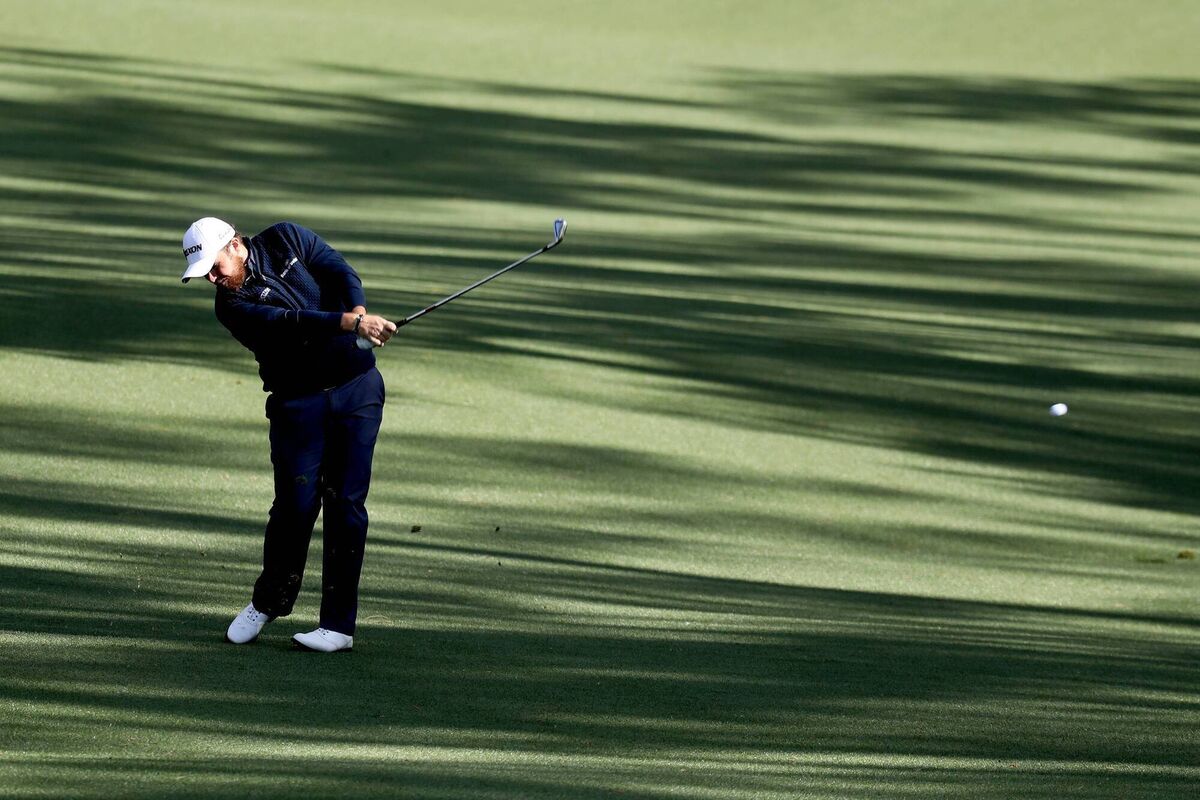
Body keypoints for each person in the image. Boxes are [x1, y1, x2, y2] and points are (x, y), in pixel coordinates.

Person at [179, 217, 397, 652]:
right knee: (294, 507)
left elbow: (339, 269)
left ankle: (337, 627)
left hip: (357, 392)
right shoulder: (231, 306)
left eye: (215, 266)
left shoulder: (286, 238)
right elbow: (288, 321)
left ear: (236, 245)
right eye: (204, 274)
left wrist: (357, 309)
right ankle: (269, 602)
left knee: (346, 505)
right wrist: (350, 325)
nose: (212, 278)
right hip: (298, 404)